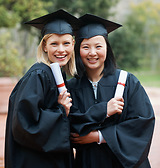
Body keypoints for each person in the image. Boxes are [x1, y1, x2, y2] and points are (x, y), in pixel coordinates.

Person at [68, 13, 155, 168]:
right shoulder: (71, 87)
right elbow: (71, 126)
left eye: (98, 46)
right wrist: (104, 110)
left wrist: (99, 136)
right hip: (88, 162)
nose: (92, 53)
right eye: (85, 47)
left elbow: (142, 122)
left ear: (107, 48)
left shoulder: (127, 81)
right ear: (78, 50)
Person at [5, 9, 79, 168]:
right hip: (36, 162)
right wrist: (61, 111)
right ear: (45, 46)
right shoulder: (39, 75)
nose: (61, 50)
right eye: (54, 44)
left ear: (73, 45)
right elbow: (25, 123)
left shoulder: (55, 73)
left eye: (66, 43)